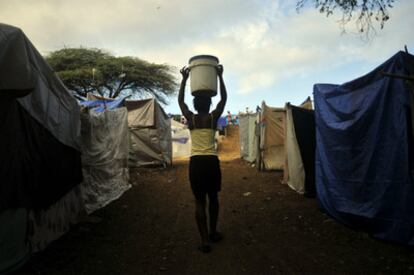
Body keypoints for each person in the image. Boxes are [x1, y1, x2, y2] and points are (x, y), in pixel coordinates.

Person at [178, 64, 227, 253]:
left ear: (196, 106)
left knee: (199, 201)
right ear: (209, 105)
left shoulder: (191, 119)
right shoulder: (214, 118)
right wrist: (220, 77)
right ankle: (213, 232)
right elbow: (224, 99)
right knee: (213, 198)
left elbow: (181, 102)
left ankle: (205, 240)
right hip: (212, 162)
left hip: (196, 163)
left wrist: (184, 80)